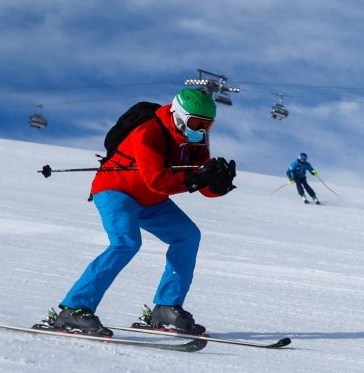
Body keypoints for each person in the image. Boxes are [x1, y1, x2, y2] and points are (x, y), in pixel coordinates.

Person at [44, 88, 237, 337]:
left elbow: (202, 186)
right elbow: (157, 180)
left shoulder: (196, 142)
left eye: (207, 125)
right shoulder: (148, 131)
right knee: (125, 243)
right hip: (116, 191)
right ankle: (74, 309)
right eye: (196, 122)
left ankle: (166, 308)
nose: (200, 130)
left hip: (151, 201)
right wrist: (196, 180)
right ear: (179, 115)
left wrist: (218, 185)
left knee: (187, 236)